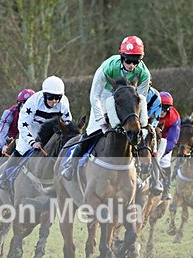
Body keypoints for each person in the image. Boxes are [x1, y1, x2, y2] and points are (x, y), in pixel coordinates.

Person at [61, 35, 151, 181]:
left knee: (138, 134)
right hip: (105, 96)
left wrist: (140, 122)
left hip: (127, 100)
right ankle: (71, 164)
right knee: (92, 130)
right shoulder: (108, 66)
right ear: (121, 56)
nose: (132, 65)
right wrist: (101, 121)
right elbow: (94, 96)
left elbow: (140, 100)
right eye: (128, 60)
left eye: (136, 61)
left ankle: (144, 172)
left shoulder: (144, 73)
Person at [0, 76, 73, 191]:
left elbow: (67, 123)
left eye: (57, 98)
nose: (54, 102)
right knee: (22, 149)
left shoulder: (63, 103)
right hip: (31, 128)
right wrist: (32, 142)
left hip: (51, 129)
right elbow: (23, 124)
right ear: (44, 95)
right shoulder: (33, 102)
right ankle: (4, 178)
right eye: (51, 97)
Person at [152, 91, 181, 200]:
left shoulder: (174, 118)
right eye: (161, 107)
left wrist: (161, 153)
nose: (163, 111)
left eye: (166, 108)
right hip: (150, 138)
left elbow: (172, 140)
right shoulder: (149, 109)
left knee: (164, 161)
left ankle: (166, 188)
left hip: (164, 141)